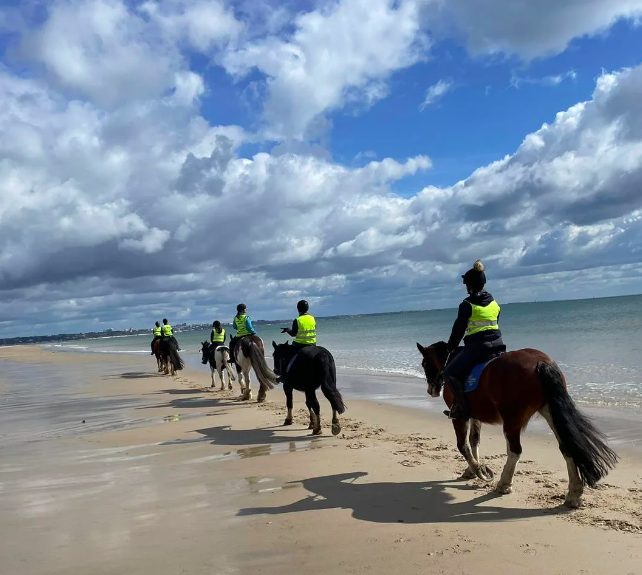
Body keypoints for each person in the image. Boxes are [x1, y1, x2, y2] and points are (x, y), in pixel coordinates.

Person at [442, 260, 505, 420]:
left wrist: (451, 347)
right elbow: (494, 324)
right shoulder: (495, 304)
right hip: (498, 346)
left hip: (477, 348)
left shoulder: (467, 305)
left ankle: (461, 408)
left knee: (449, 373)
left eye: (466, 285)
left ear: (470, 286)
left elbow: (458, 330)